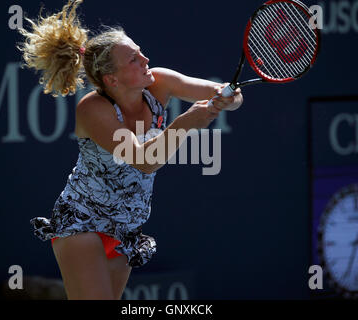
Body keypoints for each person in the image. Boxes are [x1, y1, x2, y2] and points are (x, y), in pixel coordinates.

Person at [18, 0, 243, 300]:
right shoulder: (93, 110)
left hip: (125, 229)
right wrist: (187, 122)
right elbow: (143, 161)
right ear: (112, 80)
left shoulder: (160, 82)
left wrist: (226, 97)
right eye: (134, 60)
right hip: (81, 222)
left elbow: (231, 95)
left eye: (140, 52)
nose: (146, 59)